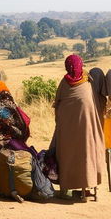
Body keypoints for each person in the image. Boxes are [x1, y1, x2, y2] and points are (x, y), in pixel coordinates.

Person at [50, 54, 105, 201]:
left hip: (66, 130)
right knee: (86, 154)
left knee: (67, 155)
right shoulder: (88, 83)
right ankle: (86, 188)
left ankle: (66, 189)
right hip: (86, 132)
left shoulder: (64, 83)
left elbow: (58, 104)